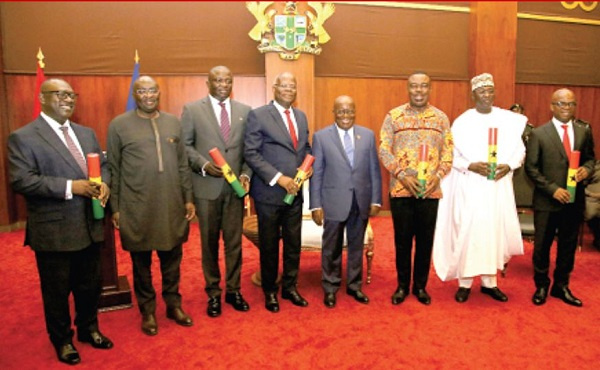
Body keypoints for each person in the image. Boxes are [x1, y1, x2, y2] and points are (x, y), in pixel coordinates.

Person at [8, 79, 113, 365]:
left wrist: (104, 184)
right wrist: (71, 187)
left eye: (71, 95)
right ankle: (62, 340)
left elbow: (102, 165)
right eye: (60, 94)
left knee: (90, 285)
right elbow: (22, 180)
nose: (68, 99)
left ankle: (89, 329)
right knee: (56, 291)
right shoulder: (24, 136)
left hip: (91, 223)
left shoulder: (86, 133)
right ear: (42, 98)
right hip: (54, 229)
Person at [107, 76, 196, 335]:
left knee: (172, 259)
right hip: (136, 205)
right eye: (141, 91)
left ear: (159, 92)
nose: (148, 95)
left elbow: (182, 165)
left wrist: (188, 198)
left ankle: (173, 304)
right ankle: (147, 311)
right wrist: (116, 207)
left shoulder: (172, 122)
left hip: (170, 203)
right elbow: (114, 168)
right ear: (135, 94)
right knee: (141, 263)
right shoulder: (119, 125)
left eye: (152, 90)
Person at [433, 73, 527, 303]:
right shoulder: (463, 121)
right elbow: (450, 156)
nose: (487, 95)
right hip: (471, 185)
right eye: (482, 91)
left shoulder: (508, 120)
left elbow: (520, 151)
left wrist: (510, 165)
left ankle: (489, 283)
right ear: (473, 94)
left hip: (497, 187)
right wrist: (470, 165)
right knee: (469, 231)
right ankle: (465, 283)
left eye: (490, 91)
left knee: (493, 231)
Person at [181, 66, 252, 317]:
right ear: (207, 83)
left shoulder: (245, 111)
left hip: (234, 191)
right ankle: (213, 293)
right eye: (217, 80)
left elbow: (249, 150)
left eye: (227, 80)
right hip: (206, 189)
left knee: (234, 244)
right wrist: (202, 164)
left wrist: (245, 175)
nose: (222, 84)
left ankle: (233, 290)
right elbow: (185, 146)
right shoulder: (192, 110)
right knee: (209, 245)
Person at [379, 72, 453, 306]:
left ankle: (420, 286)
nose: (419, 91)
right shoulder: (394, 116)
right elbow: (383, 149)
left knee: (424, 241)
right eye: (414, 87)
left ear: (429, 89)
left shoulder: (440, 118)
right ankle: (402, 286)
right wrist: (401, 175)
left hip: (429, 190)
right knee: (402, 241)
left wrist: (438, 177)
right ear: (408, 89)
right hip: (401, 190)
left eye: (423, 87)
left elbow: (449, 153)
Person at [244, 72, 312, 312]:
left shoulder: (301, 116)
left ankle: (290, 287)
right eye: (283, 85)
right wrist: (279, 178)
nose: (288, 89)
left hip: (295, 193)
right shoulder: (259, 115)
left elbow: (305, 147)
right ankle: (270, 291)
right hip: (269, 194)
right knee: (270, 244)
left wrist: (307, 168)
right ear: (274, 88)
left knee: (294, 243)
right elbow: (251, 153)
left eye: (292, 86)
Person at [525, 88, 595, 307]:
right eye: (562, 104)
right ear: (552, 106)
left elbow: (591, 159)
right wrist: (553, 189)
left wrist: (587, 169)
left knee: (567, 245)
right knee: (542, 246)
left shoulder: (583, 131)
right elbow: (531, 169)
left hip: (574, 202)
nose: (567, 108)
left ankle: (561, 286)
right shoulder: (538, 133)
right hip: (548, 200)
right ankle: (542, 285)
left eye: (571, 104)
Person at [310, 95, 382, 308]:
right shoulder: (321, 137)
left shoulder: (367, 136)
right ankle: (330, 287)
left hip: (360, 200)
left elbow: (374, 170)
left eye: (349, 111)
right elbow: (318, 173)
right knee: (331, 247)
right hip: (333, 201)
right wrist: (316, 205)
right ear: (334, 112)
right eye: (341, 111)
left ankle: (354, 286)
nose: (345, 115)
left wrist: (376, 199)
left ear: (355, 112)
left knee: (356, 246)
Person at [584, 160, 600, 250]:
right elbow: (582, 184)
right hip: (591, 198)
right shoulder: (594, 166)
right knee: (592, 211)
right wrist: (591, 194)